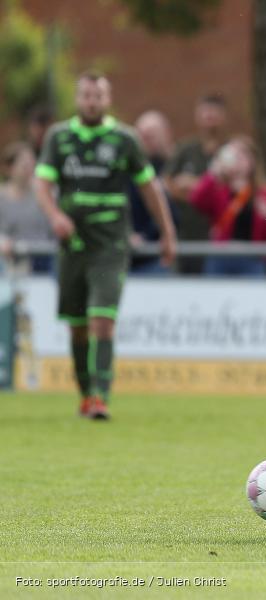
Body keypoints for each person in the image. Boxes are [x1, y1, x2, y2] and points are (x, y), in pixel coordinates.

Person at [34, 71, 176, 419]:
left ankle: (101, 397)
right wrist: (55, 216)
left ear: (108, 100)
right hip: (73, 244)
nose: (92, 102)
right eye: (86, 96)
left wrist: (167, 233)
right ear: (77, 99)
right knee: (78, 325)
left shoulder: (124, 139)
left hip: (110, 243)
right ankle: (85, 395)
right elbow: (42, 185)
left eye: (98, 96)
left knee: (102, 320)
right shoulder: (59, 137)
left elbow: (149, 188)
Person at [186, 136, 266, 277]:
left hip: (253, 260)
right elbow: (196, 200)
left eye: (242, 154)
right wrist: (213, 173)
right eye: (233, 154)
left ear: (253, 161)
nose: (237, 159)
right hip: (220, 257)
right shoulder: (219, 188)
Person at [163, 94, 229, 273]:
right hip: (185, 232)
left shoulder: (231, 150)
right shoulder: (185, 149)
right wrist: (202, 194)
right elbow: (166, 183)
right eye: (205, 111)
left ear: (224, 116)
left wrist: (193, 185)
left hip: (217, 235)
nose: (210, 116)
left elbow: (232, 190)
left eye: (214, 111)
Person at [129, 110, 176, 274]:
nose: (145, 141)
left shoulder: (172, 169)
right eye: (141, 136)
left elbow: (173, 214)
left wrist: (148, 236)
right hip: (123, 254)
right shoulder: (125, 171)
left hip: (155, 255)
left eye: (150, 136)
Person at [0, 143, 54, 274]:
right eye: (24, 165)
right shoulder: (2, 197)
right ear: (10, 168)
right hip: (11, 264)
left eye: (32, 164)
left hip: (45, 261)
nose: (29, 169)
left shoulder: (47, 194)